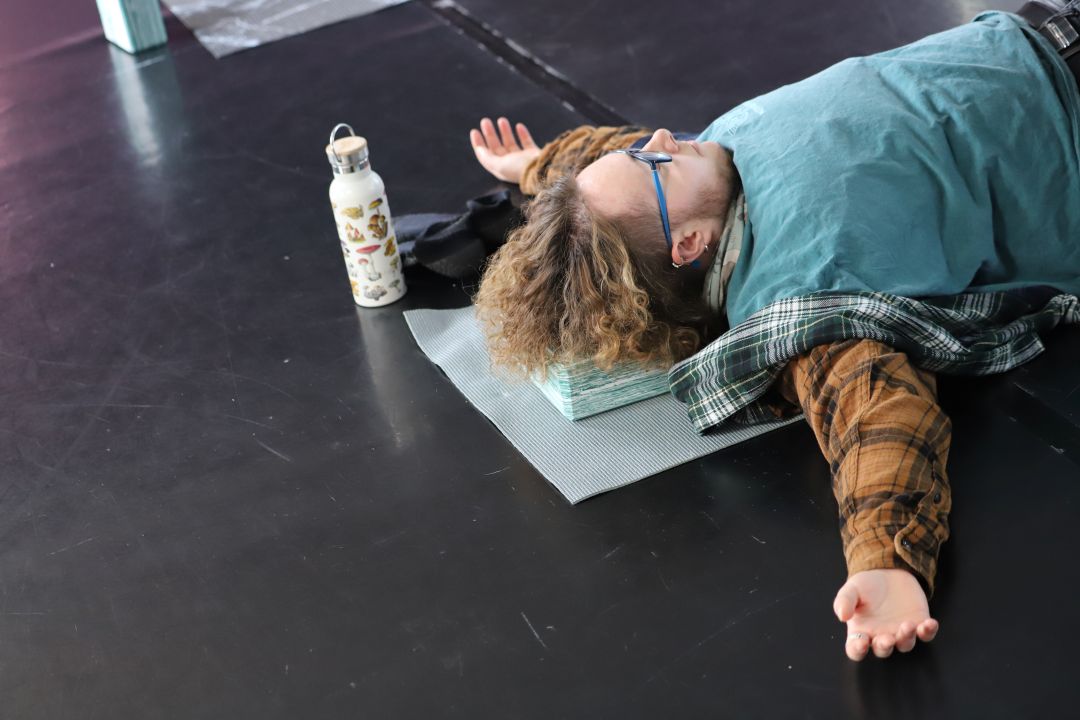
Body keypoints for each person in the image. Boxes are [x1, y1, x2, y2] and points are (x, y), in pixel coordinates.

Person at [468, 4, 1080, 662]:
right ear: (690, 245)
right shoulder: (802, 300)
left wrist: (540, 166)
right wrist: (886, 564)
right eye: (656, 163)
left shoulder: (705, 174)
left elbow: (618, 166)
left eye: (644, 149)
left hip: (1041, 32)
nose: (666, 139)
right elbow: (872, 418)